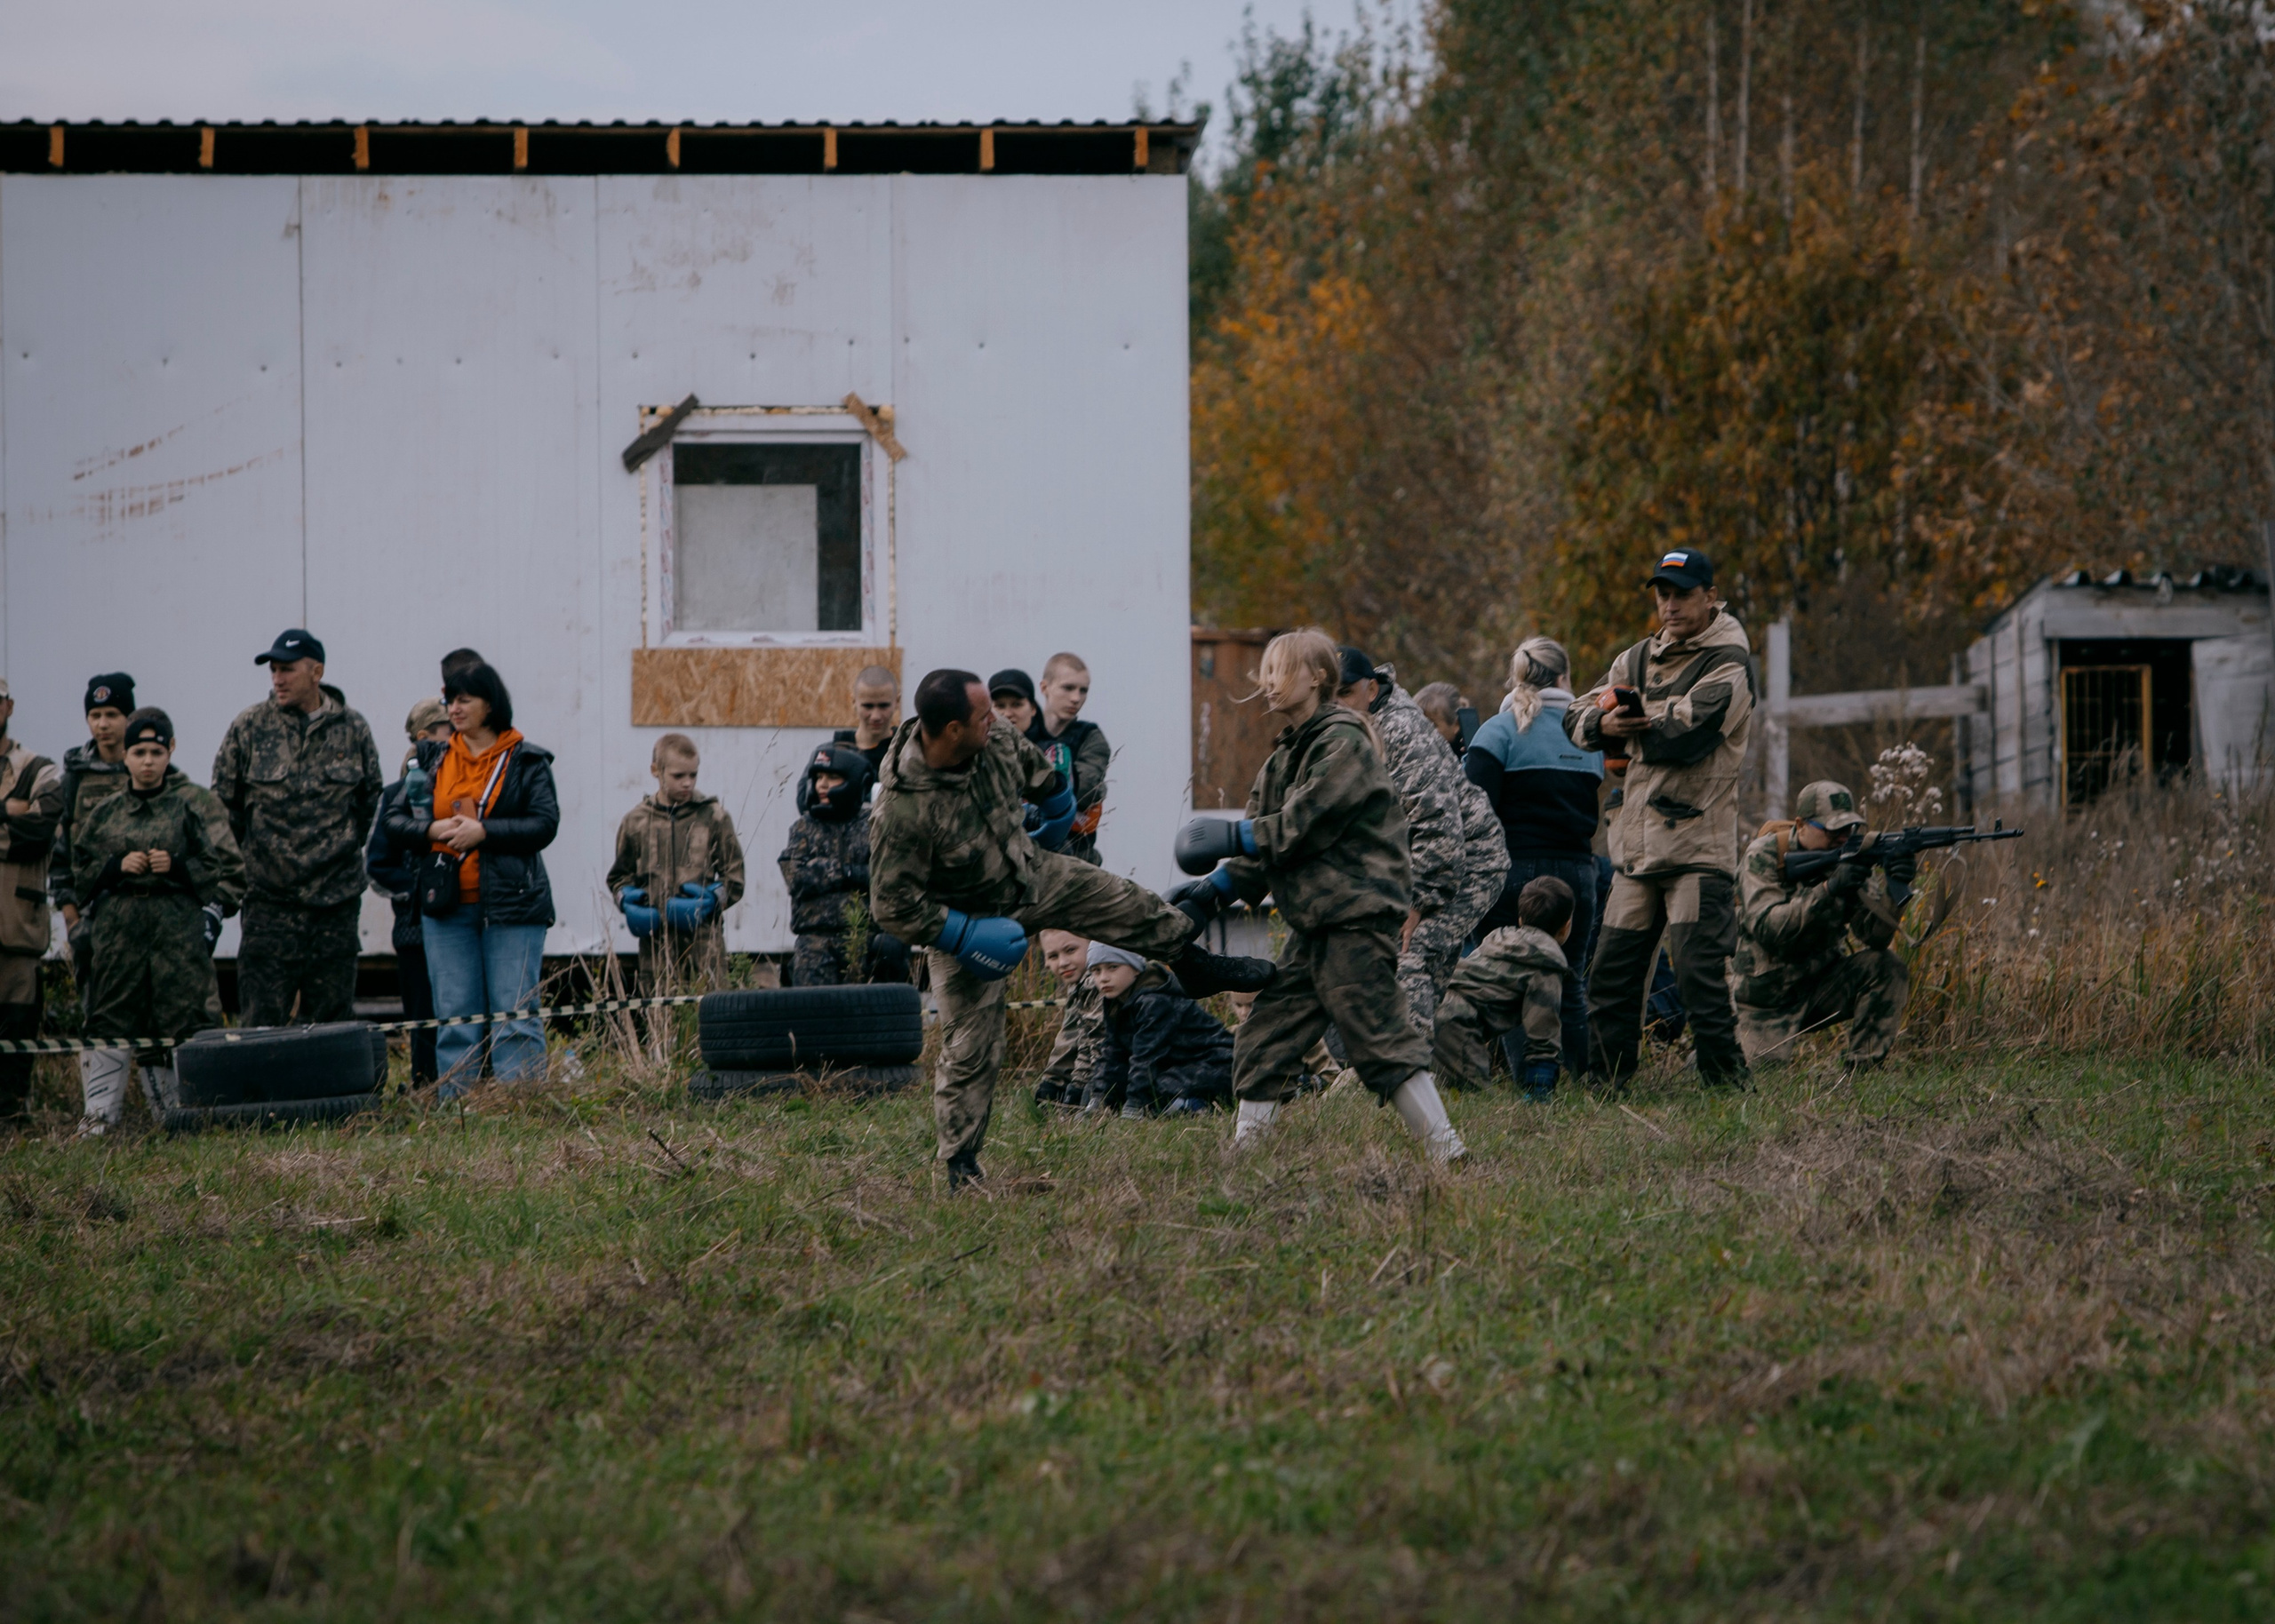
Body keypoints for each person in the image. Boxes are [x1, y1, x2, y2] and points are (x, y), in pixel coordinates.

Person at [867, 667, 1273, 1188]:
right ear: (950, 731)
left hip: (1028, 873)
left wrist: (1059, 810)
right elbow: (891, 906)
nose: (998, 720)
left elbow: (1044, 778)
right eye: (983, 716)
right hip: (967, 918)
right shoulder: (901, 808)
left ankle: (1192, 964)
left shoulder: (995, 736)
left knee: (1123, 901)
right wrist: (961, 935)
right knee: (971, 1049)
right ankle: (962, 1169)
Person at [1173, 629, 1464, 1163]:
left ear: (1317, 677)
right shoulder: (1282, 758)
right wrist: (1209, 893)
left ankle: (1450, 1154)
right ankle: (1246, 1156)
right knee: (1265, 1033)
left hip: (1355, 917)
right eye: (1263, 674)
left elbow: (1303, 822)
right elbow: (1264, 850)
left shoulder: (1345, 741)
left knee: (1376, 1035)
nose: (1267, 684)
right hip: (1315, 925)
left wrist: (1231, 835)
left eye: (1279, 672)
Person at [1563, 547, 1755, 1090]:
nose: (1669, 605)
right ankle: (1607, 1084)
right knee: (1611, 978)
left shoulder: (1731, 663)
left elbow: (1687, 734)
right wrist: (1607, 722)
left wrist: (1622, 722)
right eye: (1662, 594)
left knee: (1698, 979)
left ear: (1710, 597)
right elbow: (1575, 717)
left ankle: (1726, 1086)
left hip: (1697, 847)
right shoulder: (1635, 659)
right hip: (1635, 851)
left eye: (1683, 594)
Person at [381, 661, 558, 1096]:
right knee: (455, 1016)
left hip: (513, 905)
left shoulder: (527, 759)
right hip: (447, 905)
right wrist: (430, 830)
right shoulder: (431, 757)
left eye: (464, 700)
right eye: (449, 700)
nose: (454, 709)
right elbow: (393, 820)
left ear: (490, 704)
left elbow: (544, 824)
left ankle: (521, 1108)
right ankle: (456, 1111)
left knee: (514, 1014)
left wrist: (486, 833)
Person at [71, 708, 244, 1126]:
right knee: (110, 1019)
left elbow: (220, 872)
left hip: (175, 934)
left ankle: (175, 1120)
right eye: (138, 752)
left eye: (155, 751)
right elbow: (78, 875)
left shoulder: (190, 807)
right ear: (125, 757)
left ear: (169, 752)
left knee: (179, 1020)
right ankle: (98, 1120)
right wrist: (114, 867)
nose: (147, 761)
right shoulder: (106, 813)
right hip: (118, 935)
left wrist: (179, 867)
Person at [211, 628, 385, 1027]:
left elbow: (369, 804)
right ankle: (260, 1093)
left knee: (331, 1020)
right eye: (273, 670)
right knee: (261, 1020)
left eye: (287, 669)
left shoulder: (352, 729)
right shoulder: (250, 727)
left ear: (316, 672)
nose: (278, 679)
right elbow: (223, 808)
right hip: (269, 903)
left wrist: (337, 849)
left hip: (334, 904)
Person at [1465, 637, 1605, 1075]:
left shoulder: (1497, 730)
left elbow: (1472, 810)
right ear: (1566, 678)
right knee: (1572, 980)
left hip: (1512, 872)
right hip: (1579, 871)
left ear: (1517, 678)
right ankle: (1580, 1081)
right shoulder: (1588, 736)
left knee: (1513, 978)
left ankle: (1532, 1082)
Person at [1732, 780, 1913, 1070]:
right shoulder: (1763, 856)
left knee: (1886, 967)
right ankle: (1710, 1055)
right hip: (1766, 1001)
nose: (1843, 838)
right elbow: (1767, 927)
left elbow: (1874, 937)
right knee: (1753, 1075)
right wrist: (1828, 890)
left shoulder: (1850, 858)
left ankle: (1862, 1070)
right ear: (1801, 824)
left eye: (1848, 829)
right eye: (1833, 831)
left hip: (1821, 986)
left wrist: (1896, 890)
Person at [1335, 647, 1465, 1033]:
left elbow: (1439, 827)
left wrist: (1417, 901)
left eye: (1344, 693)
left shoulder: (1399, 732)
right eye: (1327, 694)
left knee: (1409, 957)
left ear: (1371, 689)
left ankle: (1410, 1075)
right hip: (1408, 860)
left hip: (1465, 858)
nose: (1335, 704)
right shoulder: (1348, 729)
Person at [51, 674, 137, 1127]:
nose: (103, 725)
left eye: (112, 715)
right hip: (92, 917)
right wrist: (71, 918)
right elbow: (60, 853)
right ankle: (99, 1114)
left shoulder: (144, 764)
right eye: (95, 715)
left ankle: (162, 1111)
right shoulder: (75, 777)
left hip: (144, 915)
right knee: (97, 1011)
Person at [608, 733, 746, 993]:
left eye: (693, 775)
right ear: (655, 771)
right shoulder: (636, 821)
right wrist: (626, 900)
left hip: (705, 947)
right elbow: (618, 878)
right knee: (660, 1021)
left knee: (710, 1020)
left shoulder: (713, 817)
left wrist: (713, 900)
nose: (687, 783)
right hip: (655, 950)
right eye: (678, 776)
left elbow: (735, 877)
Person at [366, 698, 454, 1084]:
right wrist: (419, 892)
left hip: (459, 923)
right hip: (414, 931)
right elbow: (376, 866)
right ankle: (425, 1088)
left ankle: (465, 1088)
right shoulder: (395, 795)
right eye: (448, 729)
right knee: (424, 1017)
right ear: (425, 737)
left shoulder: (462, 786)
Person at [1433, 875, 1576, 1100]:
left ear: (1520, 919)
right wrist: (1540, 1093)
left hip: (1432, 1003)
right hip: (1457, 1022)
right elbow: (1543, 1034)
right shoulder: (1547, 965)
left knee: (1443, 1086)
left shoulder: (1498, 939)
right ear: (1566, 927)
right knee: (1475, 1101)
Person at [773, 742, 900, 987]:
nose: (822, 784)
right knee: (815, 1014)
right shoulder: (804, 828)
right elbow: (797, 878)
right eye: (819, 776)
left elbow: (887, 876)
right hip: (815, 941)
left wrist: (828, 870)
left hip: (864, 938)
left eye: (832, 777)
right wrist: (852, 873)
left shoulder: (874, 825)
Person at [0, 681, 62, 1118]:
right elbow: (22, 827)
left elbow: (43, 831)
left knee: (17, 1030)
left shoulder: (38, 768)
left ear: (8, 705)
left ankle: (11, 1117)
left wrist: (27, 820)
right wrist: (10, 812)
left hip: (17, 927)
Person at [1088, 942, 1235, 1118]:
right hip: (1175, 1066)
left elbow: (1146, 1057)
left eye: (1113, 967)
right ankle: (1165, 1106)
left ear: (1135, 968)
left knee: (1155, 1089)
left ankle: (1197, 1106)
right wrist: (1099, 1099)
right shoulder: (1115, 1001)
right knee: (1124, 1082)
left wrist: (1135, 1105)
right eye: (1096, 971)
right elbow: (1113, 1052)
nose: (1103, 977)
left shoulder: (1155, 1000)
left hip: (1216, 1064)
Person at [1029, 653, 1111, 864]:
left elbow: (1084, 790)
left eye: (1083, 690)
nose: (1076, 698)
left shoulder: (1090, 737)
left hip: (1076, 859)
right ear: (1045, 687)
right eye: (1068, 688)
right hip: (1023, 854)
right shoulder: (1025, 733)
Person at [1034, 927, 1104, 1107]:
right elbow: (1070, 1036)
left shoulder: (1100, 983)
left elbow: (1096, 1043)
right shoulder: (1077, 984)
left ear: (1091, 945)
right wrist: (1052, 1082)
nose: (1063, 962)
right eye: (1053, 956)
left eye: (1070, 950)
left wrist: (1079, 1088)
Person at [834, 665, 901, 781]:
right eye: (868, 706)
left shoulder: (908, 754)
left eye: (883, 706)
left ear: (897, 702)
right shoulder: (831, 755)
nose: (876, 716)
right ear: (854, 702)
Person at [987, 668, 1039, 734]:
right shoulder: (977, 743)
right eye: (1000, 706)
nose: (1007, 714)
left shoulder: (1052, 744)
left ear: (1033, 708)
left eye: (1017, 705)